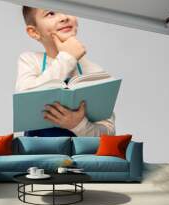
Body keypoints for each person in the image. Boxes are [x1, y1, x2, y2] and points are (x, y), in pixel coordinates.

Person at [15, 6, 115, 137]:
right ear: (34, 32)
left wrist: (78, 125)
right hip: (39, 155)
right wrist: (68, 57)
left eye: (68, 9)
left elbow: (109, 133)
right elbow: (26, 101)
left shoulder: (95, 71)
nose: (64, 17)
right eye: (50, 13)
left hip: (81, 156)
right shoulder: (30, 60)